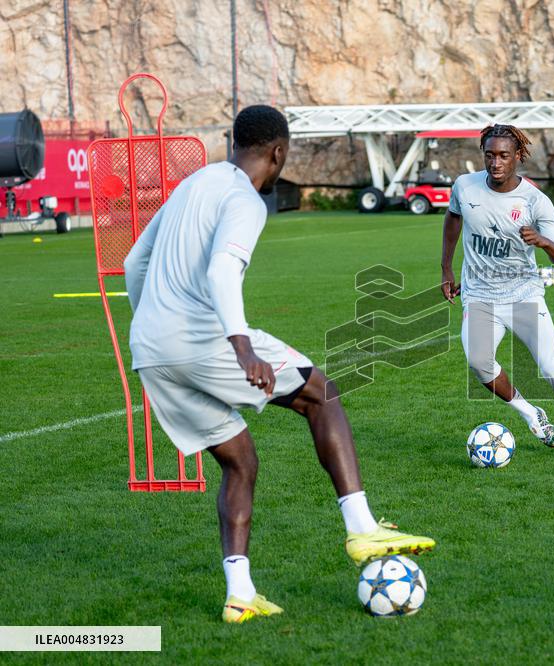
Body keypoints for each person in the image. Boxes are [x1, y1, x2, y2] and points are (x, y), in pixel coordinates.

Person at [123, 105, 434, 624]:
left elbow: (136, 263)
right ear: (279, 152)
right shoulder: (246, 199)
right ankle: (361, 527)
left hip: (150, 348)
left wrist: (155, 328)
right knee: (322, 394)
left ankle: (240, 595)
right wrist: (242, 348)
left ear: (233, 142)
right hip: (201, 337)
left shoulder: (194, 183)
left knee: (240, 461)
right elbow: (223, 270)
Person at [440, 124, 554, 461]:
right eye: (489, 155)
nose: (495, 162)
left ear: (518, 156)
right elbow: (453, 217)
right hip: (480, 296)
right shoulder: (464, 186)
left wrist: (543, 241)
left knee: (552, 368)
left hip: (523, 297)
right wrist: (446, 269)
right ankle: (531, 414)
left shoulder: (534, 200)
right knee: (479, 363)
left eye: (503, 155)